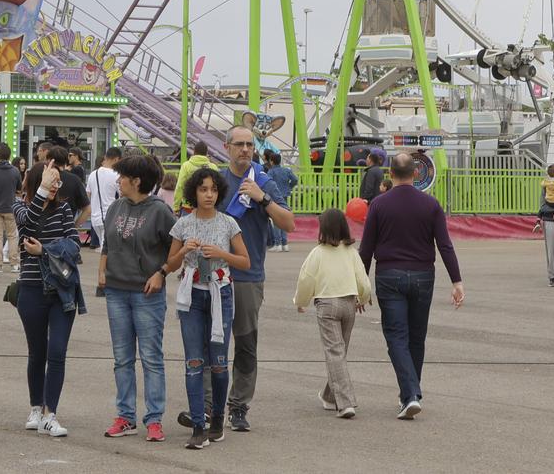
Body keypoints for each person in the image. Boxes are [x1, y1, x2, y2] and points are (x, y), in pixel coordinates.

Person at [199, 124, 295, 433]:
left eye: (249, 145)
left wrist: (262, 198)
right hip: (212, 273)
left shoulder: (263, 180)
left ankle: (238, 406)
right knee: (212, 343)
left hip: (248, 276)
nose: (245, 149)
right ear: (226, 147)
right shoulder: (214, 180)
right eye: (239, 144)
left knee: (245, 344)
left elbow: (289, 222)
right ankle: (208, 406)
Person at [358, 151, 464, 417]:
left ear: (390, 173)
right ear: (416, 174)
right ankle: (411, 392)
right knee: (417, 337)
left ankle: (409, 393)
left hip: (389, 275)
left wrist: (360, 287)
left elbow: (366, 249)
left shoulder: (379, 205)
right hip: (423, 276)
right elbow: (445, 245)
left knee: (396, 336)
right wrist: (457, 280)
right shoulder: (431, 205)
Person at [164, 168, 248, 450]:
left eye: (213, 189)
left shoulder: (228, 224)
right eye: (203, 189)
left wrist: (221, 254)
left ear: (219, 192)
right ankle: (198, 426)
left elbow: (245, 261)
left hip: (220, 295)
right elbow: (171, 264)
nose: (208, 194)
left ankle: (217, 419)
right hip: (191, 297)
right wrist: (184, 251)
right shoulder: (183, 224)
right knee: (194, 362)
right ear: (194, 193)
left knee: (219, 363)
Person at [99, 152, 174, 442]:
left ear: (137, 180)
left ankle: (154, 419)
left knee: (151, 358)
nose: (118, 180)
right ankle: (125, 416)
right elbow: (107, 242)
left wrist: (162, 273)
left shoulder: (160, 211)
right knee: (122, 358)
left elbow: (176, 247)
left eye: (122, 176)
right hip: (116, 292)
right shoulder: (115, 207)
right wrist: (102, 272)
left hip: (147, 294)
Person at [16, 149, 86, 438]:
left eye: (57, 181)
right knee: (37, 351)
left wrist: (44, 250)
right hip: (31, 289)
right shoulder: (19, 207)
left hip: (62, 291)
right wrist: (42, 192)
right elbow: (28, 226)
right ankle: (35, 406)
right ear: (37, 182)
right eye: (50, 180)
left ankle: (50, 413)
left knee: (57, 351)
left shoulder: (64, 210)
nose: (56, 185)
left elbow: (74, 247)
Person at [296, 208, 374, 418]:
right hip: (349, 304)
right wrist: (363, 298)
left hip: (327, 304)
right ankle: (329, 397)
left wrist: (301, 301)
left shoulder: (318, 253)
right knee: (340, 352)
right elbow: (363, 281)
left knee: (334, 353)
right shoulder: (351, 252)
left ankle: (345, 403)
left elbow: (306, 280)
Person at [87, 146, 123, 259]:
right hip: (110, 217)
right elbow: (123, 195)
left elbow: (88, 194)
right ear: (116, 159)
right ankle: (104, 274)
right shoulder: (116, 175)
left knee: (105, 249)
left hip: (95, 218)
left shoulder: (93, 174)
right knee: (108, 252)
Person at [263, 150, 297, 250]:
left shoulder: (271, 172)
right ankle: (285, 243)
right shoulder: (287, 170)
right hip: (285, 196)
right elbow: (295, 179)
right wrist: (289, 187)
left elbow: (267, 183)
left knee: (276, 219)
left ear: (272, 162)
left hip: (274, 198)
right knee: (284, 218)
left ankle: (277, 244)